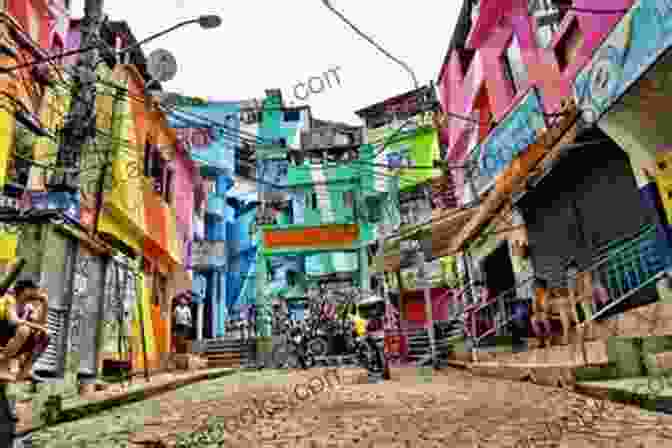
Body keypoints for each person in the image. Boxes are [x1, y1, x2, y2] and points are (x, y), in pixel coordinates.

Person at [0, 279, 49, 382]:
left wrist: (45, 305)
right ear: (26, 290)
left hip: (13, 341)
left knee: (45, 336)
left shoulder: (29, 307)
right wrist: (38, 327)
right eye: (35, 290)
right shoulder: (10, 299)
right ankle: (2, 364)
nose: (38, 293)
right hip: (3, 335)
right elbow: (14, 320)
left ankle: (24, 372)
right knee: (24, 329)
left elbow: (41, 325)